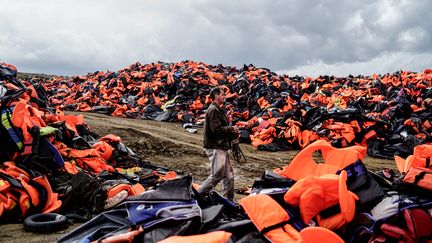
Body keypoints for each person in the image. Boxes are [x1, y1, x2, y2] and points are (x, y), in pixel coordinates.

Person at [199, 87, 239, 201]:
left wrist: (233, 135)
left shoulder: (219, 110)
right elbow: (216, 130)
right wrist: (231, 129)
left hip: (221, 146)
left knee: (229, 176)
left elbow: (221, 129)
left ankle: (228, 201)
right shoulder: (213, 110)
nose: (224, 96)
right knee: (217, 174)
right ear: (216, 96)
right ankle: (199, 194)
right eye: (222, 94)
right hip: (215, 146)